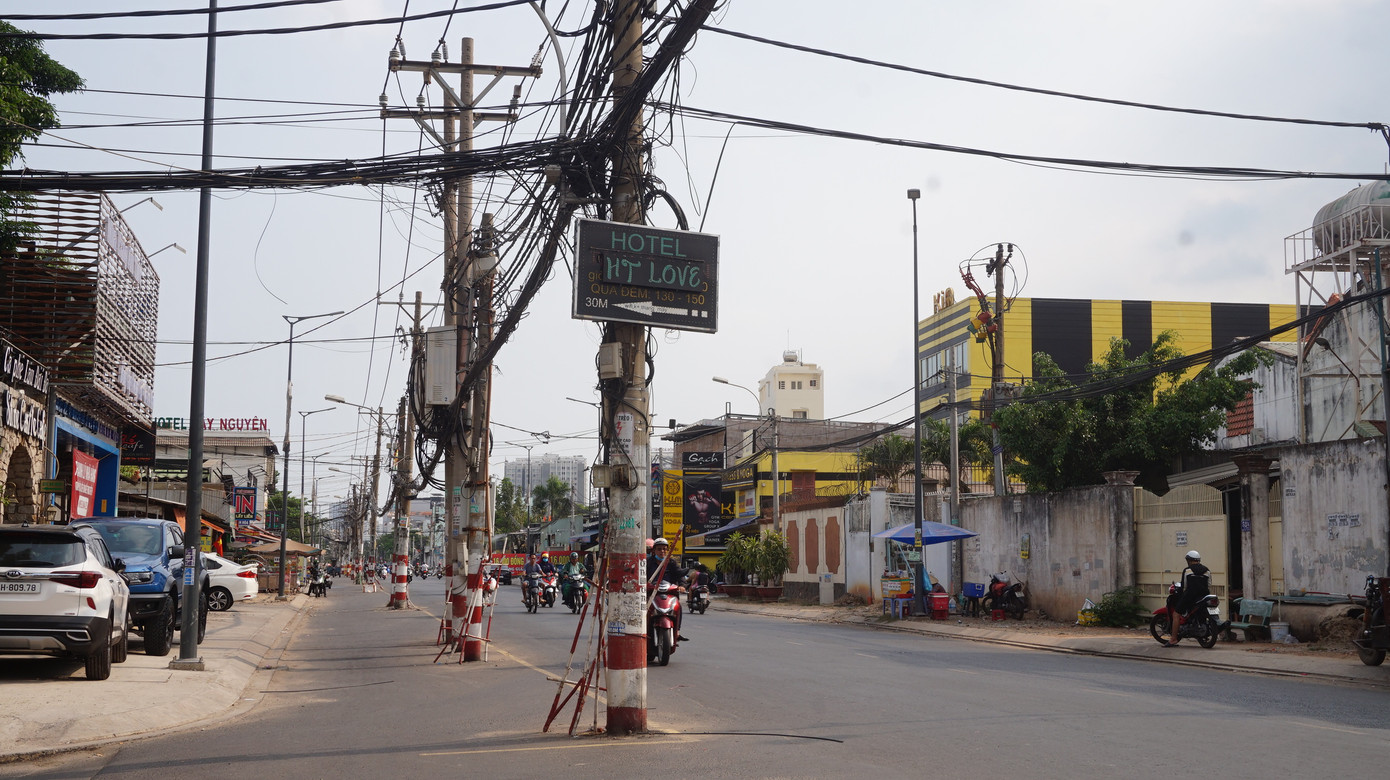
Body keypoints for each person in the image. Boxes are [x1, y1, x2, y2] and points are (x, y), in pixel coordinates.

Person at [646, 538, 691, 641]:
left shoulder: (671, 562)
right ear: (654, 551)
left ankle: (677, 631)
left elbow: (680, 576)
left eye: (664, 549)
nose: (662, 551)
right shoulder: (648, 563)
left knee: (677, 607)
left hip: (669, 593)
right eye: (659, 549)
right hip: (652, 593)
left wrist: (682, 586)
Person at [1166, 550, 1210, 646]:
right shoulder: (1207, 570)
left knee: (1176, 614)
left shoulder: (1187, 570)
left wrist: (1181, 595)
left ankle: (1173, 639)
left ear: (1189, 560)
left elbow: (1184, 586)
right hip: (1204, 596)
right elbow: (1209, 584)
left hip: (1190, 596)